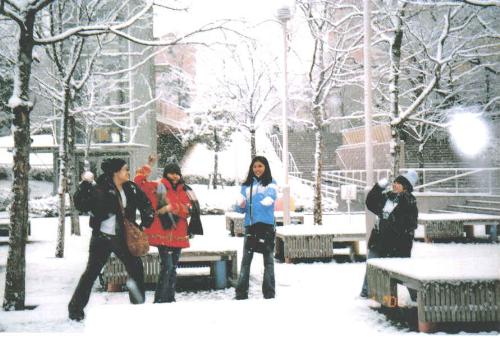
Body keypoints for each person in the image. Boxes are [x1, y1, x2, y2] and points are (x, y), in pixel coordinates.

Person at [68, 158, 154, 321]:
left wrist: (145, 223)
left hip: (123, 238)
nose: (128, 172)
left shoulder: (131, 188)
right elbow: (81, 204)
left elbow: (146, 204)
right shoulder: (100, 187)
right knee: (91, 273)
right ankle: (75, 310)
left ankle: (138, 306)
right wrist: (85, 184)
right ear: (115, 172)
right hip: (102, 237)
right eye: (125, 169)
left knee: (136, 268)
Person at [136, 158, 202, 303]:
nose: (174, 176)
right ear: (166, 174)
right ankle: (160, 299)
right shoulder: (156, 186)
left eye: (177, 174)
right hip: (162, 234)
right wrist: (149, 165)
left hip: (179, 235)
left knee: (172, 269)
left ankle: (170, 298)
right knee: (167, 266)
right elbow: (139, 183)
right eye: (171, 173)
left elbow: (190, 210)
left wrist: (172, 207)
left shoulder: (186, 190)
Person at [360, 170, 419, 299]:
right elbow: (370, 202)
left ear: (406, 187)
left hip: (397, 245)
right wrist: (378, 187)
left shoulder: (409, 201)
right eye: (395, 182)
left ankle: (416, 297)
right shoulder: (388, 197)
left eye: (399, 183)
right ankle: (365, 293)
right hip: (379, 242)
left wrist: (395, 225)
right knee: (372, 267)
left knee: (403, 274)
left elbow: (411, 224)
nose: (395, 185)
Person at [234, 156, 278, 300]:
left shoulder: (271, 183)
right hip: (250, 226)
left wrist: (268, 199)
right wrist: (240, 204)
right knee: (246, 260)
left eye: (260, 166)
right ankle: (241, 293)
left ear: (265, 167)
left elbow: (272, 195)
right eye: (254, 166)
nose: (257, 169)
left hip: (266, 226)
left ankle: (269, 292)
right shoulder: (246, 186)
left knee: (269, 260)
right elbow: (240, 209)